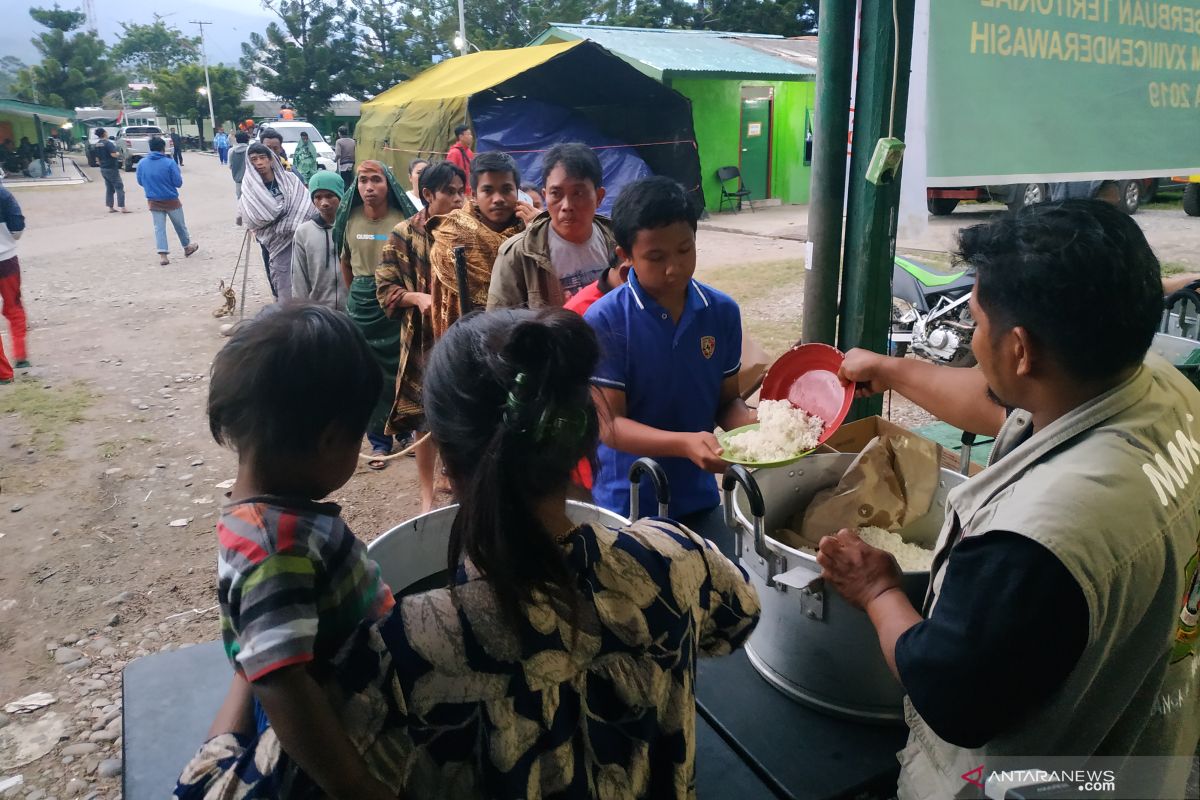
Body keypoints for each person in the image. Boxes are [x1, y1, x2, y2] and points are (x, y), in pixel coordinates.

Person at [822, 200, 1200, 800]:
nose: (973, 340)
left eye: (975, 322)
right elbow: (1002, 403)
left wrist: (878, 591)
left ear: (1020, 348)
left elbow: (952, 699)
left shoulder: (1034, 540)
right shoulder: (1165, 390)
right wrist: (891, 370)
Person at [356, 307, 759, 796]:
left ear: (444, 459)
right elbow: (739, 620)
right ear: (584, 438)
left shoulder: (402, 650)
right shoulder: (677, 560)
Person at [175, 304, 400, 800]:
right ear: (329, 441)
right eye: (357, 438)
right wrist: (355, 785)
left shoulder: (259, 516)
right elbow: (283, 684)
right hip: (324, 714)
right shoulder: (278, 548)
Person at [584, 176, 756, 546]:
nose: (674, 268)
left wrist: (758, 429)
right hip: (628, 503)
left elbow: (727, 401)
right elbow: (610, 426)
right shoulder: (606, 321)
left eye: (685, 250)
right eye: (656, 258)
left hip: (698, 498)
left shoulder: (721, 312)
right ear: (625, 256)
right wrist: (685, 444)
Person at [376, 160, 466, 512]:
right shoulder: (403, 234)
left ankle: (457, 485)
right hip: (422, 342)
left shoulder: (466, 229)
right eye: (450, 192)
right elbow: (385, 289)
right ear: (427, 194)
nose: (459, 199)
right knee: (424, 420)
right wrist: (417, 298)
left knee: (459, 416)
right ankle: (427, 496)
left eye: (462, 191)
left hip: (461, 339)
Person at [333, 160, 417, 469]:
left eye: (376, 180)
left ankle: (406, 432)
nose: (369, 187)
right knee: (369, 374)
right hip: (363, 306)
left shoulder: (402, 219)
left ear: (388, 184)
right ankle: (379, 442)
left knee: (402, 369)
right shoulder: (350, 220)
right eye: (363, 180)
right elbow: (345, 262)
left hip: (396, 303)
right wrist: (357, 295)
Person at [489, 142, 616, 310]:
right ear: (545, 196)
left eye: (578, 193)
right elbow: (498, 328)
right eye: (556, 194)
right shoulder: (518, 255)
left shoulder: (620, 244)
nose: (566, 205)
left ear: (599, 197)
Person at [427, 151, 530, 340]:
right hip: (467, 339)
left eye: (506, 189)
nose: (498, 198)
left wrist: (537, 230)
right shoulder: (452, 236)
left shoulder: (530, 234)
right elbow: (446, 306)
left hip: (522, 337)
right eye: (488, 191)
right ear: (474, 194)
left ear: (518, 191)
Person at [239, 143, 309, 302]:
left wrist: (291, 222)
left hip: (300, 240)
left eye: (262, 158)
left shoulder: (290, 179)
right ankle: (287, 313)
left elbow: (305, 205)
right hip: (276, 244)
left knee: (307, 277)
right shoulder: (250, 189)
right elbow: (251, 214)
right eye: (254, 159)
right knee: (284, 280)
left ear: (271, 160)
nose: (259, 162)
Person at [135, 137, 199, 266]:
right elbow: (178, 183)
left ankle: (163, 255)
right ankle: (187, 247)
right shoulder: (169, 163)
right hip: (171, 200)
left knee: (159, 228)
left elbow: (140, 181)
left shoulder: (142, 163)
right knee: (180, 225)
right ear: (163, 148)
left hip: (153, 200)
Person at [290, 170, 346, 311]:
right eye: (318, 197)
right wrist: (301, 309)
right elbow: (299, 275)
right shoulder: (304, 232)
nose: (324, 203)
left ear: (341, 196)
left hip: (351, 310)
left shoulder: (352, 228)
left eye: (330, 196)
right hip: (319, 311)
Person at [0, 186, 29, 384]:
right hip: (6, 259)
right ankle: (20, 355)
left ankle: (3, 373)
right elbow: (17, 227)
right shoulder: (3, 194)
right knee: (14, 306)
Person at [93, 128, 129, 214]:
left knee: (109, 188)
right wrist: (119, 154)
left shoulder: (97, 144)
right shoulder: (108, 144)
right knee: (119, 187)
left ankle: (110, 207)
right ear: (105, 133)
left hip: (103, 168)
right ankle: (122, 207)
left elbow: (97, 158)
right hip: (111, 168)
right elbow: (113, 154)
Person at [445, 124, 474, 195]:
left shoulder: (469, 152)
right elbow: (449, 174)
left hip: (469, 191)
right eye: (468, 134)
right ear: (461, 137)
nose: (471, 136)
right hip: (459, 192)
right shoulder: (454, 153)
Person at [228, 131, 250, 199]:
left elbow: (230, 166)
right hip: (251, 180)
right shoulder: (251, 150)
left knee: (240, 199)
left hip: (238, 180)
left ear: (236, 140)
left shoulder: (231, 151)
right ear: (247, 140)